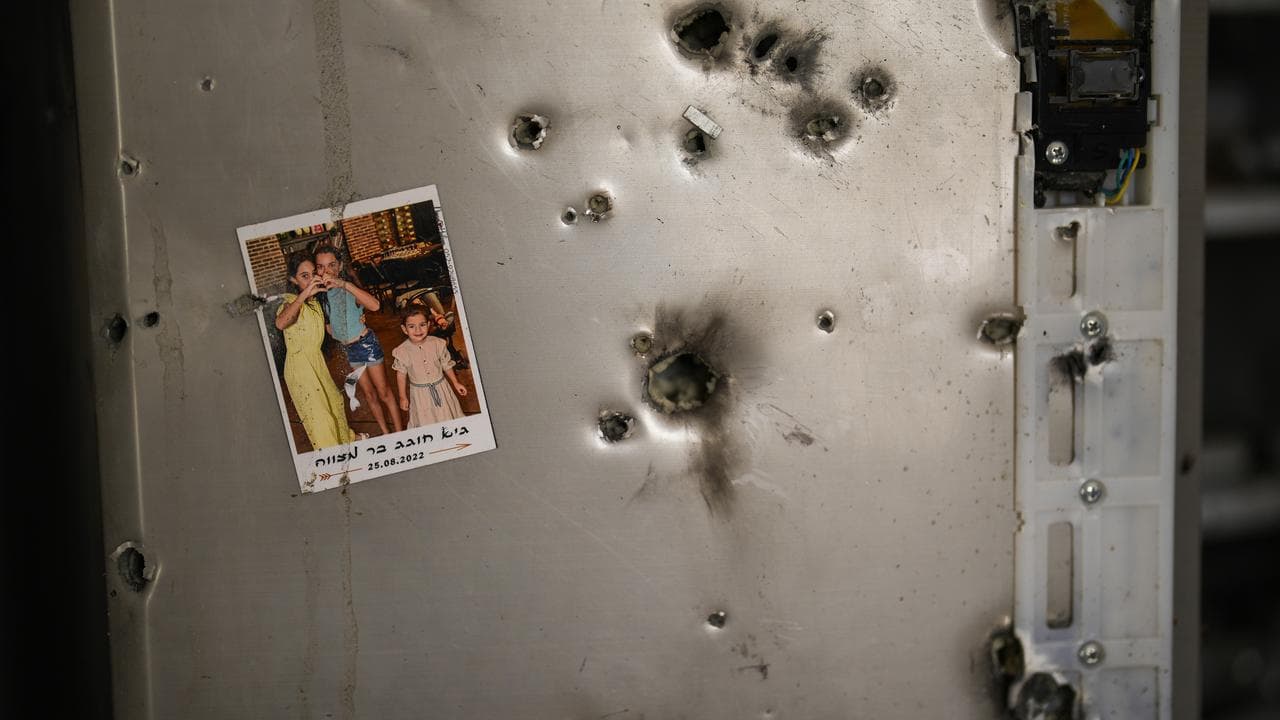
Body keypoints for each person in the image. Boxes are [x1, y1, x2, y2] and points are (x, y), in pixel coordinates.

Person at [312, 245, 404, 436]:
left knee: (384, 392)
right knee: (369, 395)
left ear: (340, 267)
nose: (326, 271)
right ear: (316, 270)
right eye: (320, 267)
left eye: (331, 265)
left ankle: (401, 432)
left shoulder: (349, 289)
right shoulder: (322, 297)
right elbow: (330, 328)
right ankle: (386, 434)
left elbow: (375, 305)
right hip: (351, 351)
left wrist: (343, 284)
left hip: (367, 345)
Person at [273, 255, 357, 451]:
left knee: (334, 404)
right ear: (293, 280)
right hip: (300, 368)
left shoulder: (315, 303)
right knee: (319, 418)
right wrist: (304, 295)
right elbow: (281, 322)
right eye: (304, 276)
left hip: (316, 362)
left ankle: (347, 443)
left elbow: (330, 331)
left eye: (313, 274)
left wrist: (355, 327)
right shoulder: (290, 300)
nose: (311, 280)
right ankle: (333, 460)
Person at [392, 306, 468, 427]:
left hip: (442, 389)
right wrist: (402, 397)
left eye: (422, 325)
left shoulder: (438, 343)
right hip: (419, 395)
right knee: (425, 421)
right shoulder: (402, 351)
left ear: (428, 325)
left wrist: (455, 382)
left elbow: (446, 364)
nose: (418, 330)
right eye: (411, 326)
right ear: (404, 329)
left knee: (447, 416)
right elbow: (401, 375)